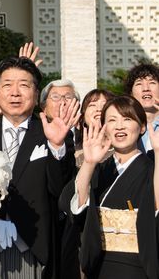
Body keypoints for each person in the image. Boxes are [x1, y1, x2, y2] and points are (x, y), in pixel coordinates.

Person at [0, 56, 78, 278]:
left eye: (24, 85)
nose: (15, 93)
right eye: (7, 85)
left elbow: (61, 190)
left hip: (34, 250)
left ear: (36, 94)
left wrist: (56, 146)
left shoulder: (53, 133)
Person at [62, 95, 159, 278]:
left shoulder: (152, 169)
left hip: (136, 267)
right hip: (98, 264)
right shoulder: (98, 168)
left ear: (142, 127)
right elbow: (73, 209)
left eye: (127, 119)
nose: (119, 126)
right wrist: (89, 163)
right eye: (112, 120)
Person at [123, 62, 159, 152]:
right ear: (131, 93)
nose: (146, 88)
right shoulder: (123, 126)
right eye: (139, 84)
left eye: (152, 82)